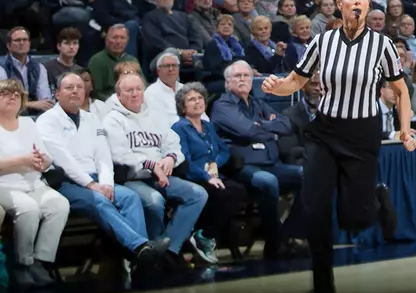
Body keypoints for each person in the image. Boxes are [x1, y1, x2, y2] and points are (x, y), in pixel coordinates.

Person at [261, 0, 415, 293]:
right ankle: (322, 286)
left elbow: (400, 91)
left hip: (362, 134)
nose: (356, 1)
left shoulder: (382, 45)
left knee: (354, 217)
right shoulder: (322, 42)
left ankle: (377, 200)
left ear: (368, 6)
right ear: (340, 4)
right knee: (315, 206)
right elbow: (296, 80)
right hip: (325, 131)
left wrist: (404, 129)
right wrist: (277, 87)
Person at [35, 72, 172, 282]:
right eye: (69, 87)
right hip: (66, 182)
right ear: (57, 93)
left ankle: (138, 260)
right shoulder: (47, 121)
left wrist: (106, 183)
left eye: (79, 87)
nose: (75, 91)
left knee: (129, 197)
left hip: (97, 179)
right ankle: (140, 248)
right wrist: (91, 184)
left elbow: (103, 155)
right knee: (99, 201)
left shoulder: (92, 119)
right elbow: (63, 160)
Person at [104, 70, 217, 268]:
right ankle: (149, 250)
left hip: (161, 175)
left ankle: (168, 250)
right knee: (155, 201)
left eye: (138, 89)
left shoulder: (154, 114)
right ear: (119, 94)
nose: (134, 94)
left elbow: (174, 143)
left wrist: (170, 158)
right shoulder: (112, 119)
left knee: (198, 194)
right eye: (128, 90)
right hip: (132, 178)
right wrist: (151, 165)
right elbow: (119, 155)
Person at [211, 60, 304, 259]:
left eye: (246, 75)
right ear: (227, 82)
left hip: (271, 162)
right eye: (237, 76)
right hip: (243, 167)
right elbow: (247, 129)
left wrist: (259, 126)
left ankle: (289, 233)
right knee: (267, 181)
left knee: (309, 174)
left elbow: (286, 125)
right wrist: (267, 128)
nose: (243, 79)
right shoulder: (222, 106)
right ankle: (273, 241)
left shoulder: (258, 103)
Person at [0, 79, 56, 289]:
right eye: (6, 93)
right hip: (1, 185)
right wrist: (22, 161)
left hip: (32, 181)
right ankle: (22, 264)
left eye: (17, 94)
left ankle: (40, 261)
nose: (13, 96)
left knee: (59, 205)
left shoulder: (28, 123)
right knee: (29, 209)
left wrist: (44, 161)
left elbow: (45, 154)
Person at [171, 83, 252, 255]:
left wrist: (215, 163)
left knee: (239, 190)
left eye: (200, 98)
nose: (197, 102)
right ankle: (204, 234)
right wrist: (206, 175)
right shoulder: (179, 128)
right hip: (193, 176)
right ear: (182, 107)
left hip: (214, 174)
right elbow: (184, 160)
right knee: (223, 193)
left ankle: (205, 234)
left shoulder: (207, 126)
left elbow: (223, 150)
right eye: (191, 99)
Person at [0, 26, 54, 113]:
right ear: (9, 45)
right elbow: (0, 102)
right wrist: (31, 104)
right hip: (8, 115)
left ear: (29, 43)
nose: (21, 43)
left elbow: (45, 101)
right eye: (17, 40)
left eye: (25, 40)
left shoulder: (39, 68)